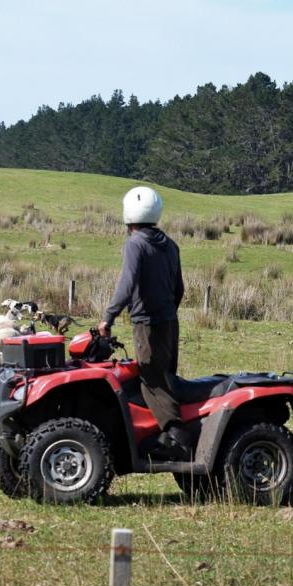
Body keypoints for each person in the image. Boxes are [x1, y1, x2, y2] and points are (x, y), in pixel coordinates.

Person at [97, 186, 191, 460]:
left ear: (128, 215)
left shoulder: (135, 244)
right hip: (170, 322)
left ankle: (177, 436)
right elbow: (179, 288)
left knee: (151, 381)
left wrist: (108, 317)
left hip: (147, 323)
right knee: (166, 377)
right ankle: (164, 432)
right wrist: (168, 312)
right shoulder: (170, 245)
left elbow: (127, 284)